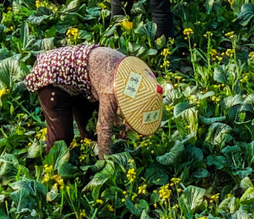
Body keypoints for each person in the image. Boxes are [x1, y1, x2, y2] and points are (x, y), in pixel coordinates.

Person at [23, 43, 164, 156]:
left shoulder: (133, 73)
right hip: (51, 77)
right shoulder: (110, 89)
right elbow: (104, 127)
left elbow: (121, 103)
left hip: (80, 75)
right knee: (62, 137)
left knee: (89, 125)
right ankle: (52, 170)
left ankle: (87, 151)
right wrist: (106, 162)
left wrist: (123, 125)